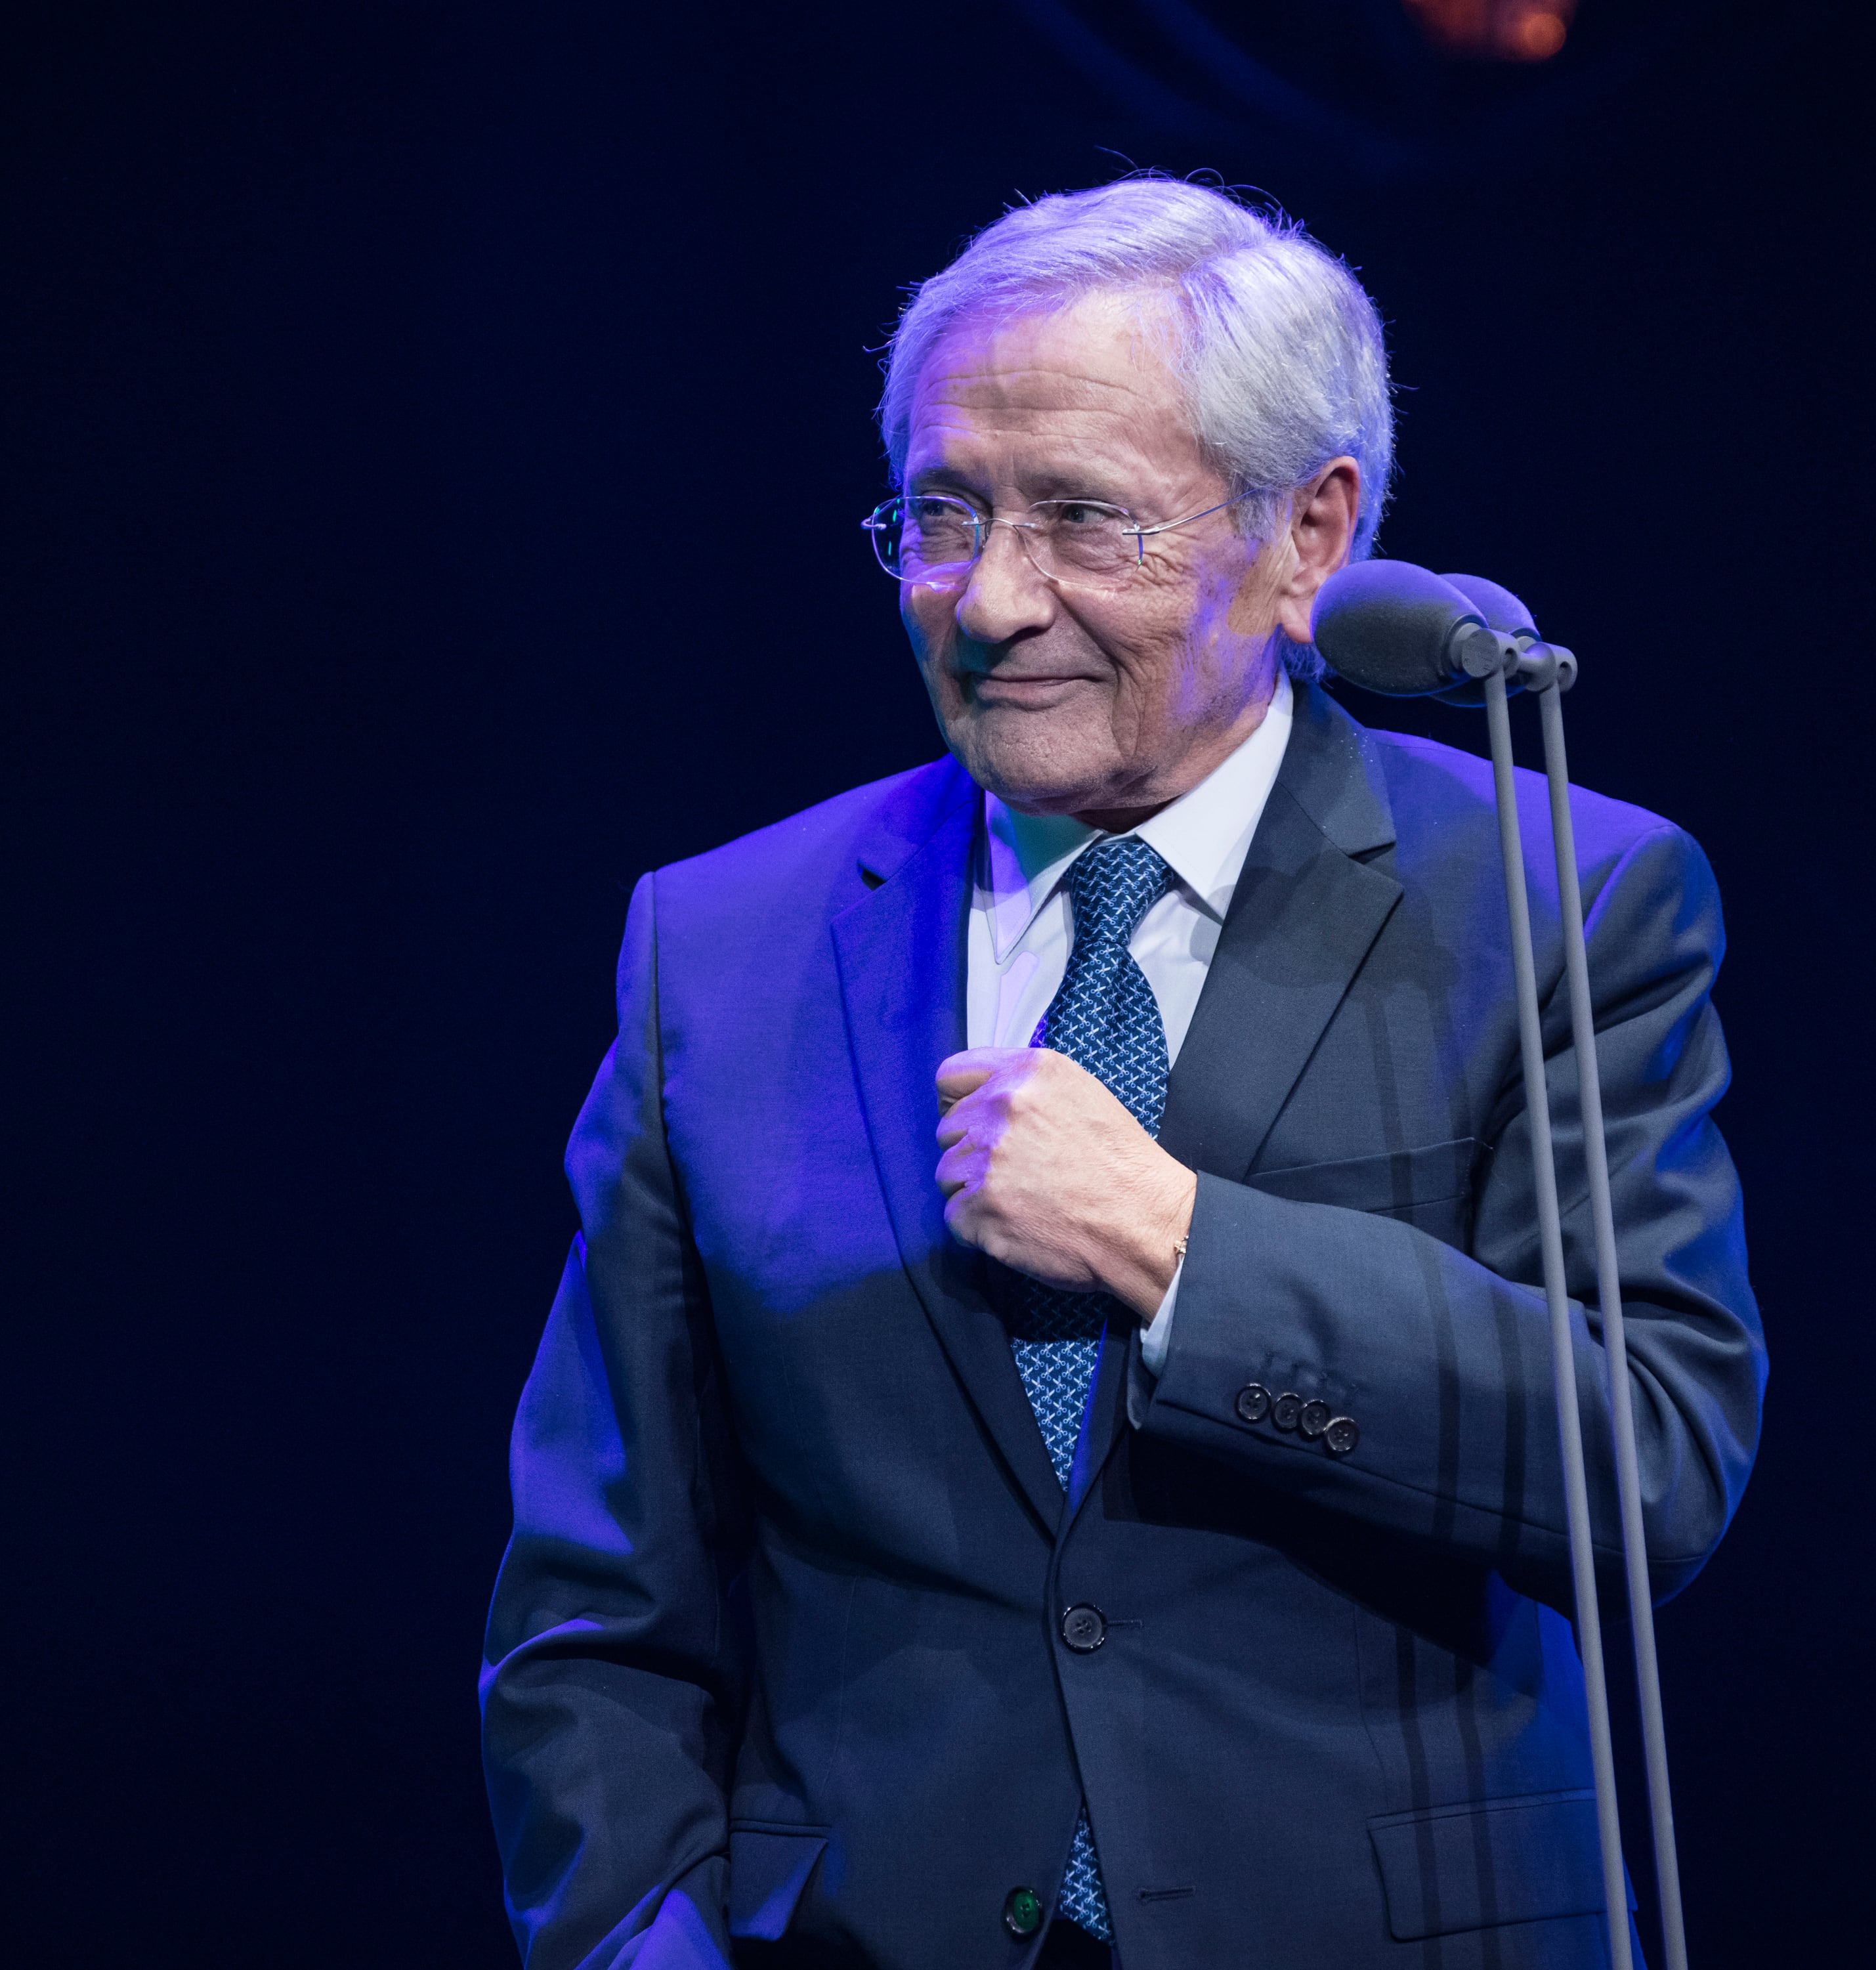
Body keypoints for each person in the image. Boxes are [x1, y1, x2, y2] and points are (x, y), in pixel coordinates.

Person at [480, 177, 1764, 1970]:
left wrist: (1183, 1251)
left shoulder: (1555, 899)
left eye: (1084, 518)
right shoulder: (724, 948)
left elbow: (1651, 1464)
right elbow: (595, 1614)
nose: (992, 602)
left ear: (1307, 535)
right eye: (943, 516)